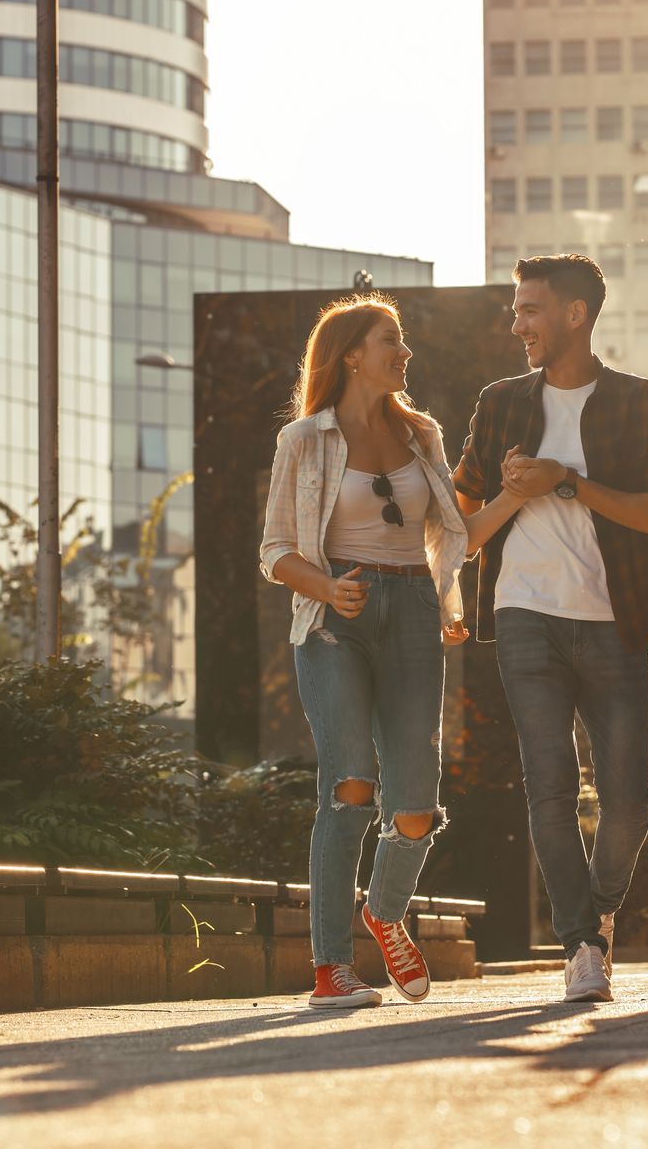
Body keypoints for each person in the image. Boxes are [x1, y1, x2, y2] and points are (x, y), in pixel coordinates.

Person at [260, 294, 527, 1009]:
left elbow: (454, 533)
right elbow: (275, 552)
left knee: (414, 808)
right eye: (391, 340)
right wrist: (328, 585)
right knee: (350, 786)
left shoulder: (420, 436)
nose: (403, 353)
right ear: (351, 354)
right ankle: (330, 970)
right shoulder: (304, 441)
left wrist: (511, 496)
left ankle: (383, 912)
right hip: (333, 619)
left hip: (413, 610)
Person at [452, 254, 648, 1003]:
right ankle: (582, 944)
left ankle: (600, 910)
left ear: (575, 315)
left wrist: (567, 481)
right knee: (550, 787)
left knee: (628, 801)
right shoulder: (498, 404)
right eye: (516, 311)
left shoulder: (641, 402)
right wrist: (517, 494)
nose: (517, 324)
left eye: (530, 311)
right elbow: (459, 521)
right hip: (525, 615)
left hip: (615, 618)